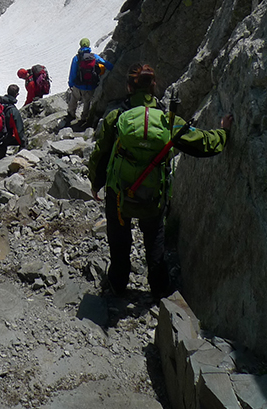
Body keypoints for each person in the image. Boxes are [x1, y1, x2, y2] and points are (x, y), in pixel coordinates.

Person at [87, 63, 233, 301]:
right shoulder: (168, 120)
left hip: (118, 192)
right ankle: (159, 289)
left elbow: (101, 154)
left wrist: (96, 183)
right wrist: (223, 133)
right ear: (153, 87)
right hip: (154, 193)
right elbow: (202, 144)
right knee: (154, 239)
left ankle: (117, 283)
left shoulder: (116, 117)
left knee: (119, 237)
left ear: (128, 87)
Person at [66, 38, 113, 126]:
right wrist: (112, 67)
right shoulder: (94, 56)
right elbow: (104, 62)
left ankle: (71, 114)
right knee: (87, 102)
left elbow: (72, 72)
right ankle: (84, 118)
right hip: (90, 86)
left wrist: (71, 83)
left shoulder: (77, 58)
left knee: (74, 98)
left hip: (78, 85)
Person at [0, 84, 27, 160]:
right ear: (16, 95)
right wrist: (23, 142)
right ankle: (20, 159)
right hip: (4, 136)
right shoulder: (12, 110)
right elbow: (18, 128)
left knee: (2, 147)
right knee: (24, 141)